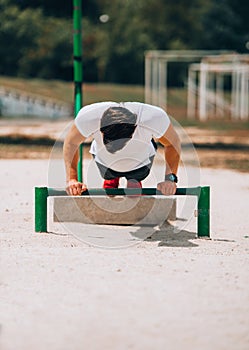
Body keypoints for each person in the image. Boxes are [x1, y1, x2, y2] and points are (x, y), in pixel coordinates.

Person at [63, 101, 181, 196]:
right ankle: (111, 179)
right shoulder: (89, 117)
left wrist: (170, 179)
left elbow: (172, 143)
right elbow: (71, 143)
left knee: (135, 179)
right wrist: (72, 179)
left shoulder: (152, 118)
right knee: (109, 174)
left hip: (140, 163)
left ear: (133, 130)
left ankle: (134, 179)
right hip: (105, 164)